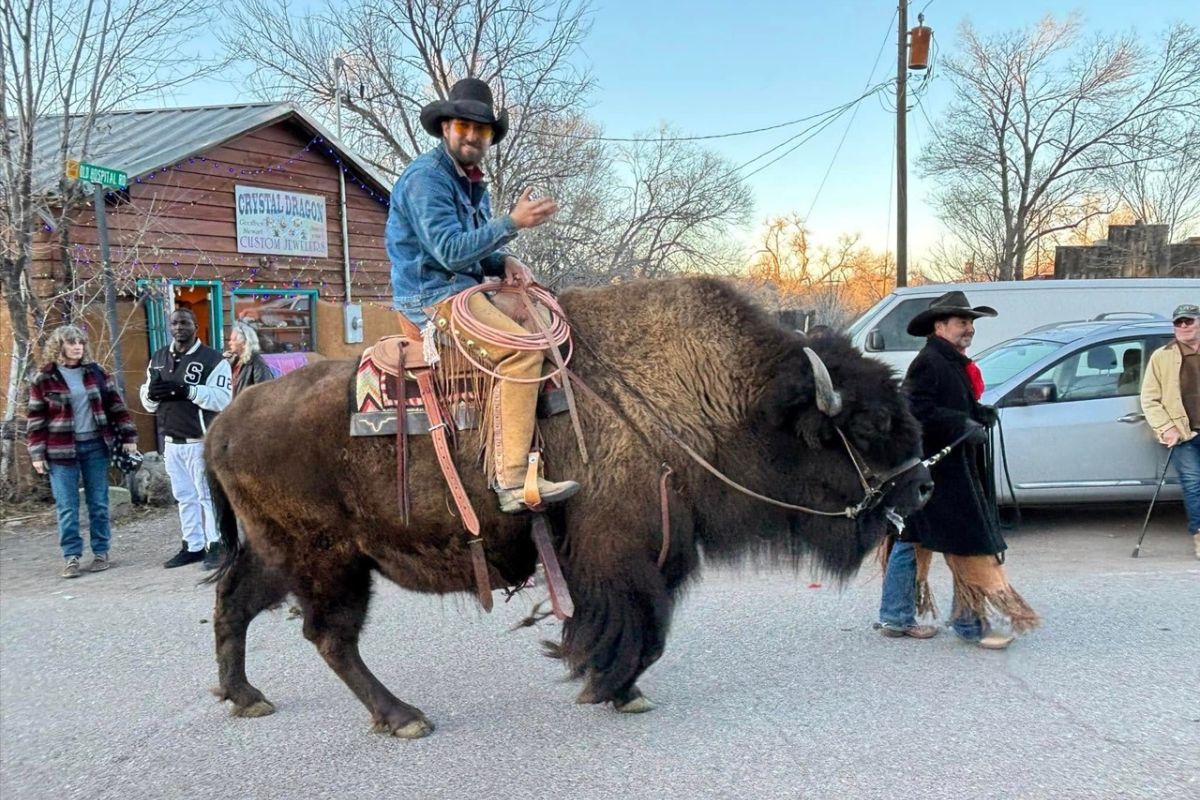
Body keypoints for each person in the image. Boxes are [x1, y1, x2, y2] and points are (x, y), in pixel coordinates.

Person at [385, 77, 578, 513]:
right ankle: (510, 482)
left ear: (489, 136)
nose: (472, 135)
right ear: (445, 128)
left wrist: (501, 261)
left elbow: (472, 246)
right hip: (430, 297)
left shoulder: (472, 182)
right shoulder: (425, 181)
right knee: (521, 351)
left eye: (482, 129)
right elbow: (450, 252)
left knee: (548, 329)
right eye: (463, 126)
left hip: (464, 286)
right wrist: (511, 224)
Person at [876, 291, 1039, 649]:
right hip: (938, 470)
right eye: (962, 322)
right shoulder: (930, 362)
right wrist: (962, 423)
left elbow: (946, 405)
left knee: (912, 539)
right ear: (940, 326)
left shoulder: (949, 360)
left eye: (970, 323)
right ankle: (968, 626)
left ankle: (896, 615)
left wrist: (978, 414)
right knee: (964, 542)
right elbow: (917, 410)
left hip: (940, 468)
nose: (969, 329)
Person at [27, 325, 139, 578]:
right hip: (60, 450)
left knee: (98, 502)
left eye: (80, 342)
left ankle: (101, 551)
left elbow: (116, 407)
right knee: (67, 506)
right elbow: (35, 419)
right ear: (60, 346)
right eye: (71, 342)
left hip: (95, 446)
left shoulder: (96, 373)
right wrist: (36, 454)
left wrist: (129, 436)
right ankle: (72, 557)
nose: (77, 346)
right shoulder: (44, 378)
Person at [140, 308, 232, 570]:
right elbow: (147, 402)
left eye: (184, 323)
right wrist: (151, 394)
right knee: (184, 496)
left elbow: (223, 399)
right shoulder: (158, 358)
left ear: (195, 325)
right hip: (171, 440)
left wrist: (188, 390)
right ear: (169, 327)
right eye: (174, 323)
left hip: (200, 440)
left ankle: (217, 545)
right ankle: (192, 545)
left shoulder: (213, 360)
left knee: (207, 496)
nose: (179, 327)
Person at [1140, 303, 1200, 560]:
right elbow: (1149, 398)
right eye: (1179, 323)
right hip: (1185, 434)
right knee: (1194, 485)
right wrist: (1166, 427)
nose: (1184, 326)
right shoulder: (1162, 356)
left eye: (1189, 321)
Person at [225, 321, 274, 396]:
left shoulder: (258, 364)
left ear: (244, 343)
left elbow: (264, 393)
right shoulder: (233, 360)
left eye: (233, 340)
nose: (229, 343)